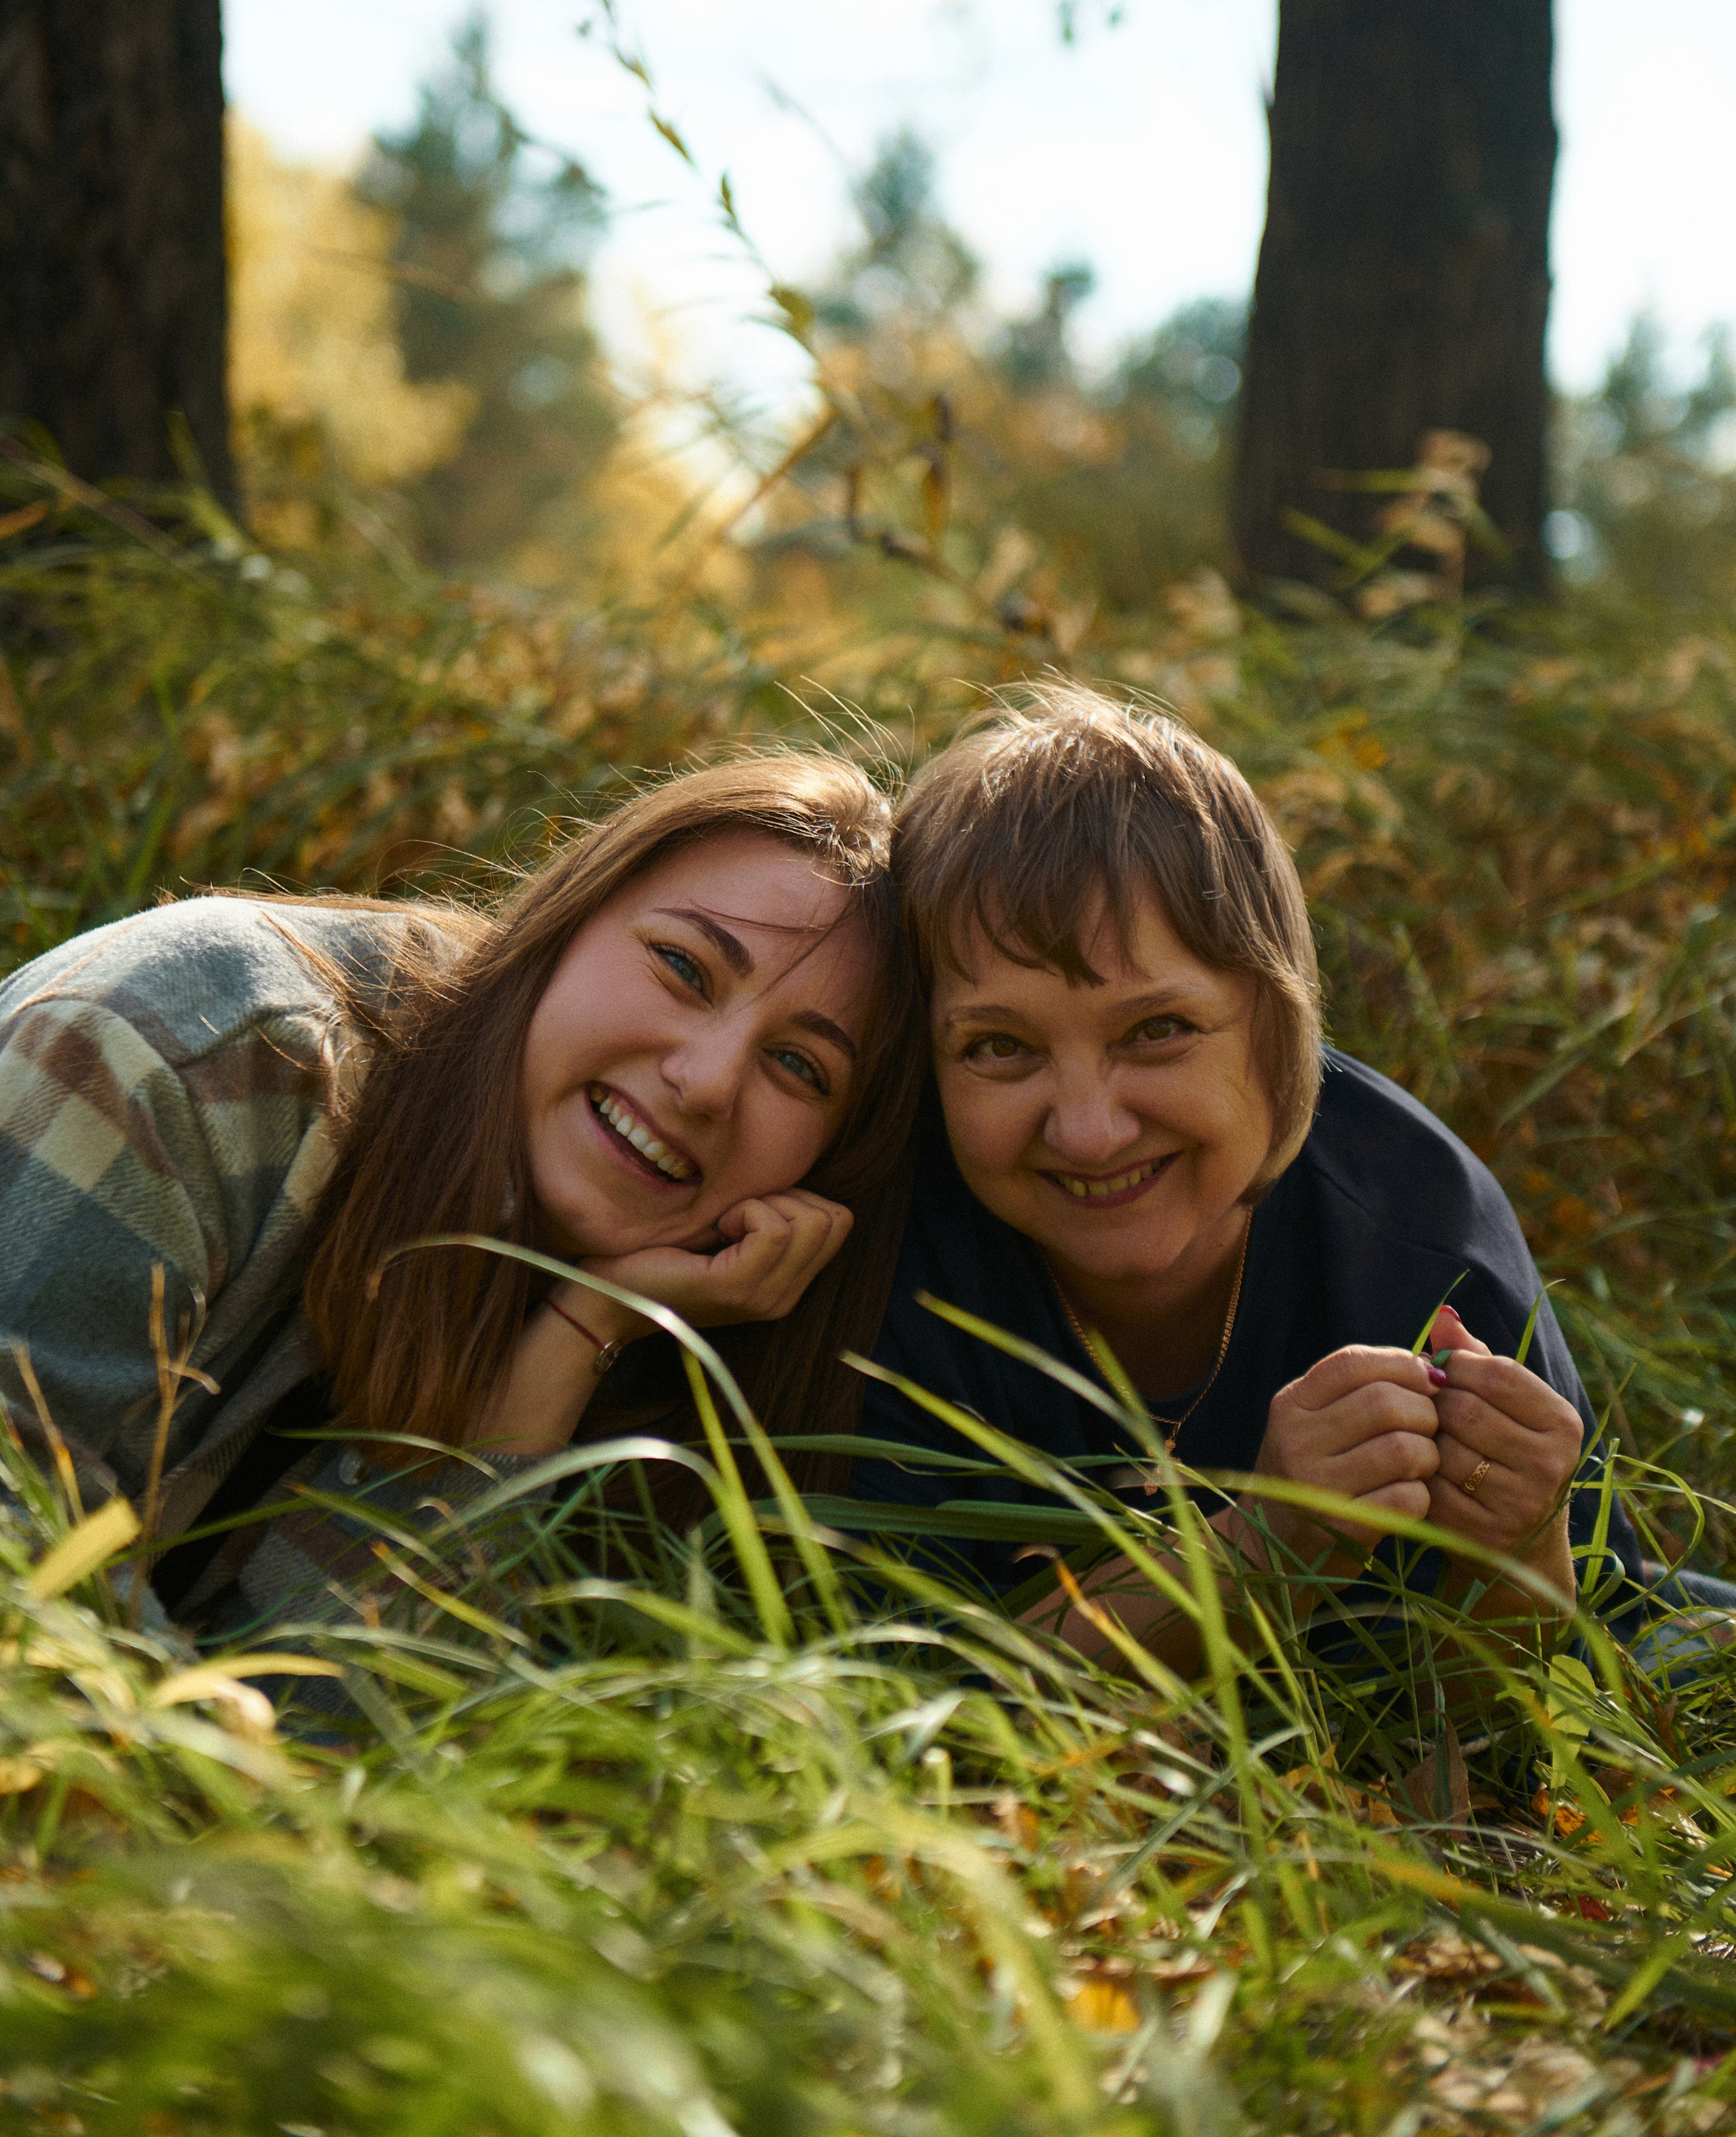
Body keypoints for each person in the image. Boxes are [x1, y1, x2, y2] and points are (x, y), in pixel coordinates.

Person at [852, 686, 1703, 1677]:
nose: (1088, 1129)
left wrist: (1519, 1556)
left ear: (1275, 1024)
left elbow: (1548, 1694)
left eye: (1157, 1030)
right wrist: (1261, 1549)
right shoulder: (894, 1255)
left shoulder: (1422, 1240)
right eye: (999, 1047)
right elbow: (912, 1694)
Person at [0, 753, 922, 1633]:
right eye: (684, 967)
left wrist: (582, 1331)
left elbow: (340, 1704)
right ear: (564, 924)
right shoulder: (199, 1055)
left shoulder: (660, 1345)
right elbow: (20, 1560)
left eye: (799, 1066)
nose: (709, 1083)